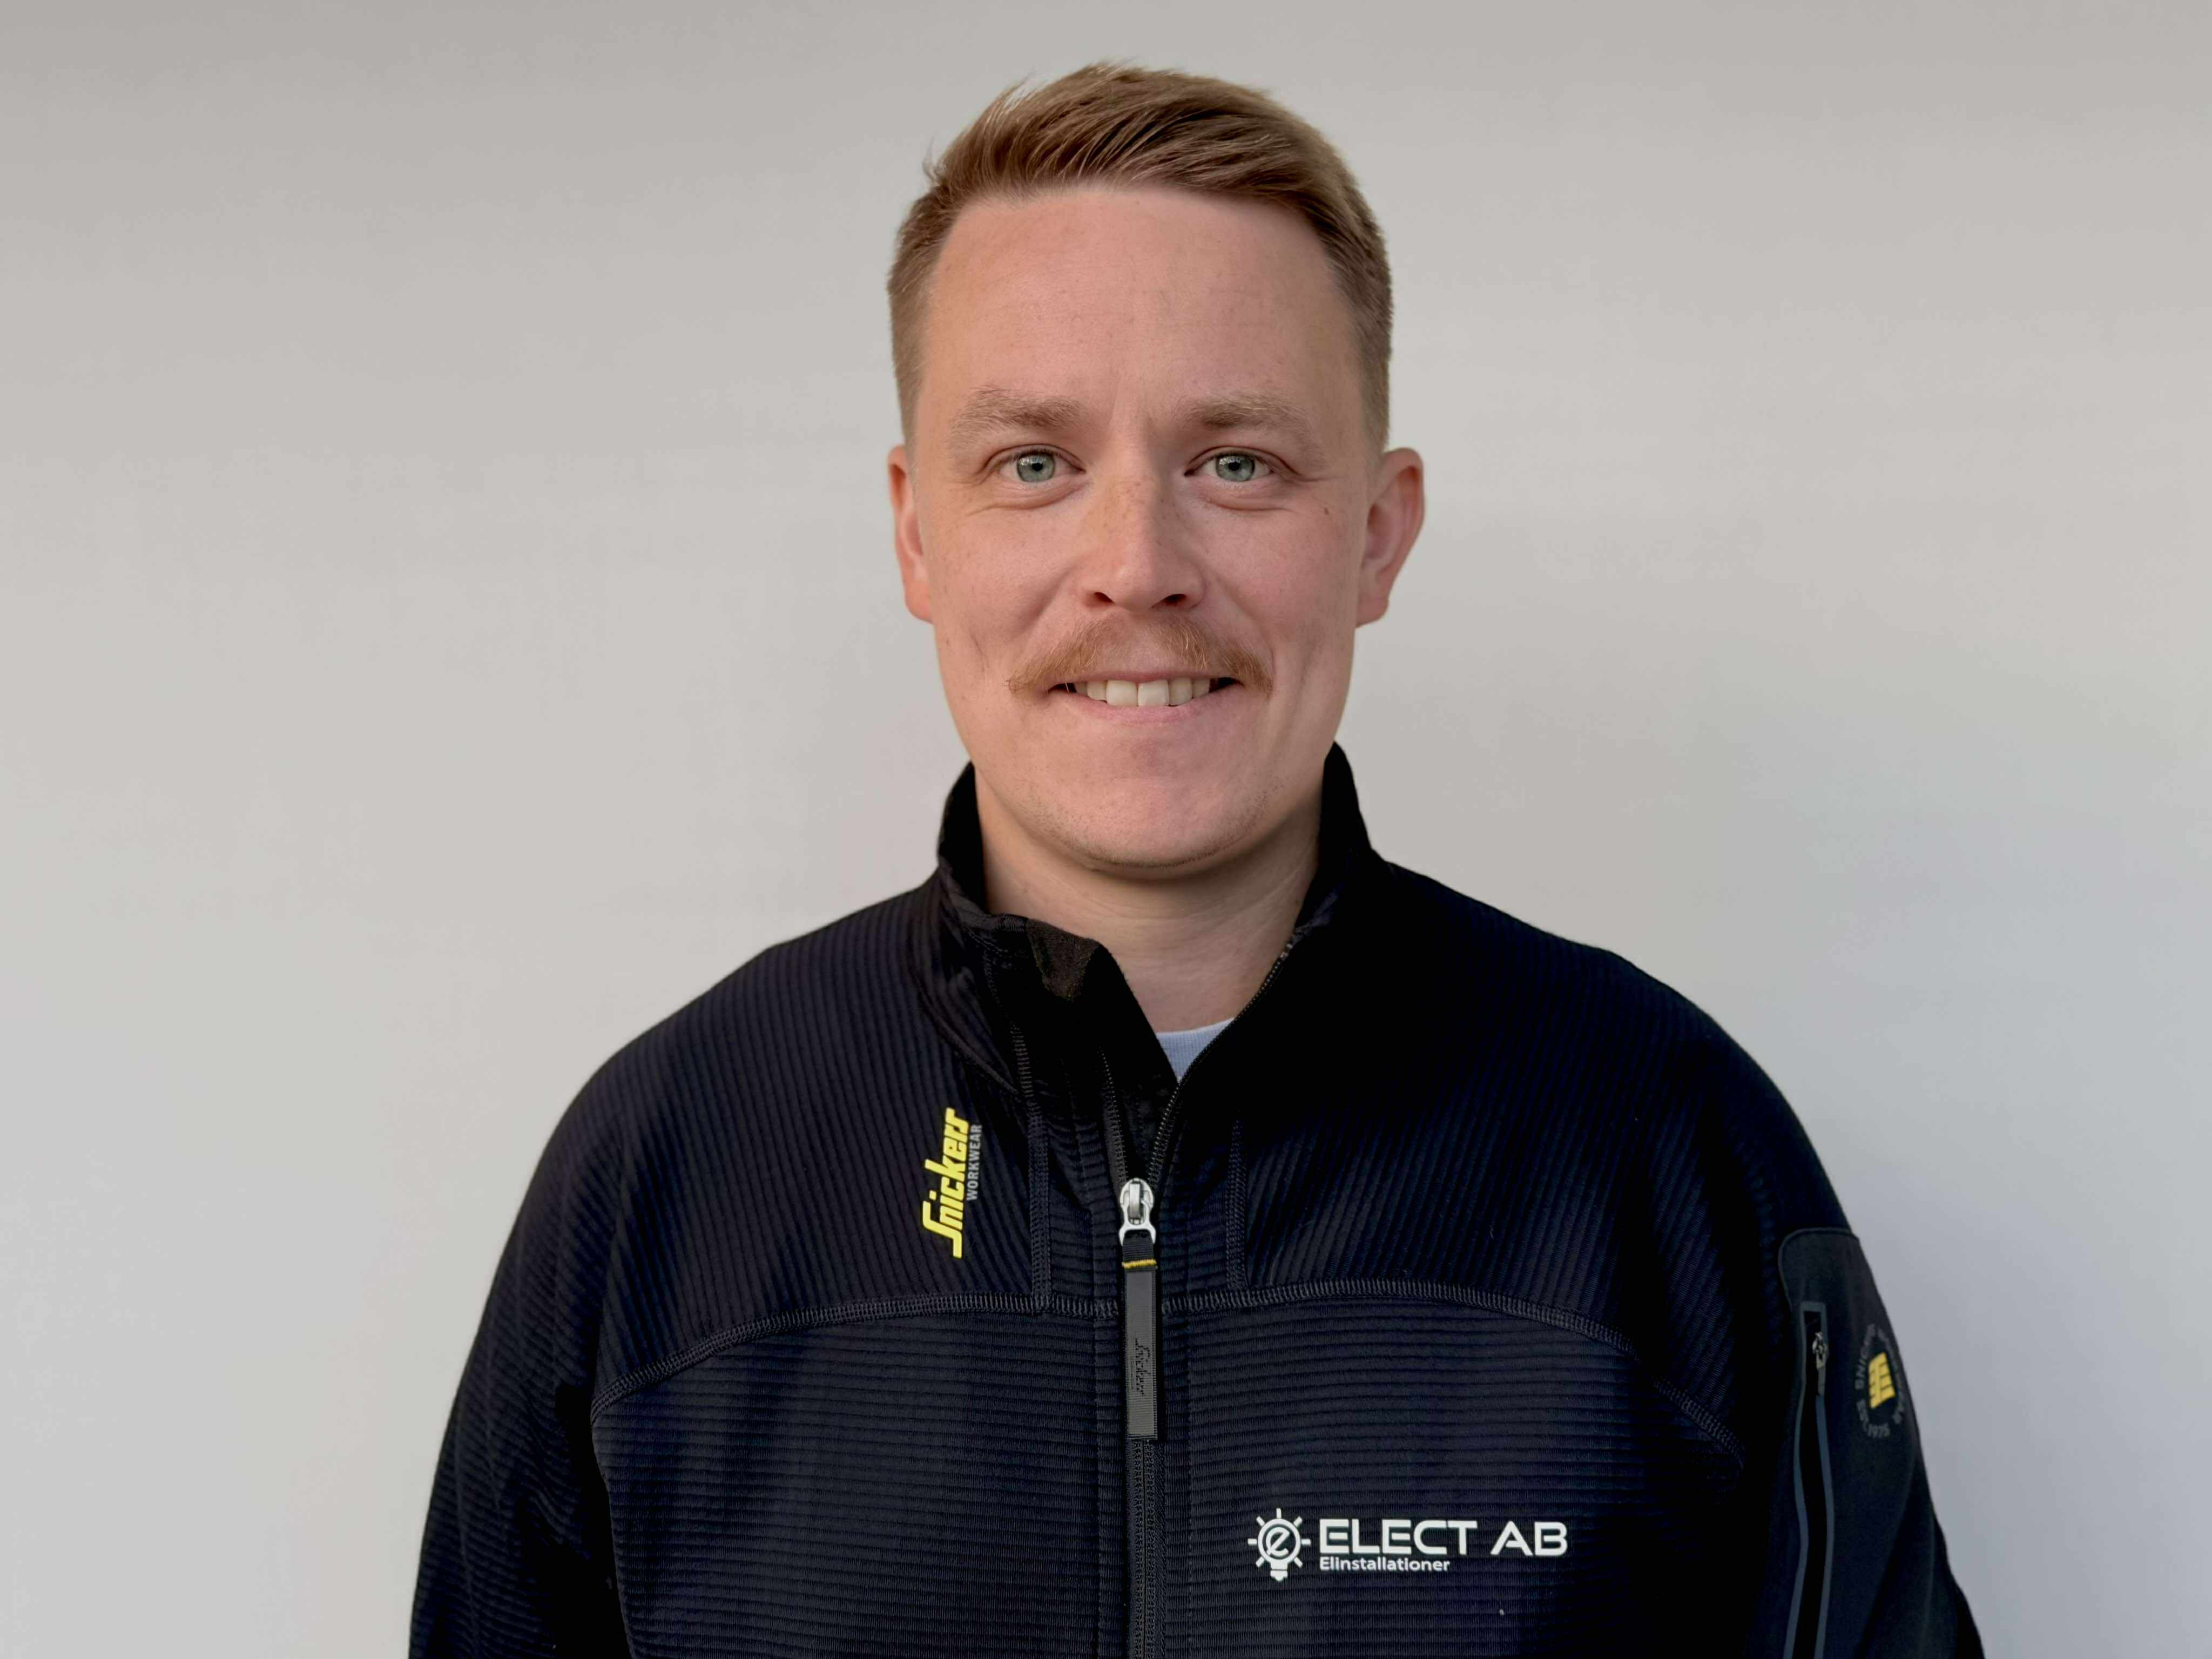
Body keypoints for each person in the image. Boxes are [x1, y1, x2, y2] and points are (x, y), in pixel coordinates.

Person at [409, 60, 1979, 1657]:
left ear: (1378, 533)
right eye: (1034, 463)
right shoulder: (668, 1174)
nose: (1137, 567)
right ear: (916, 531)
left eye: (1237, 462)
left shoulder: (1661, 1148)